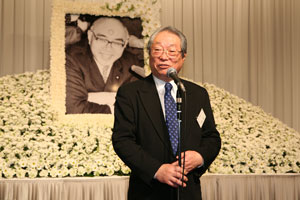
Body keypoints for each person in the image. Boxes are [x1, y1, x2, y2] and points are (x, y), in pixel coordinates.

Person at [112, 26, 221, 200]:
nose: (164, 56)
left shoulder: (197, 93)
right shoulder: (130, 93)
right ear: (149, 54)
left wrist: (200, 157)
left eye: (172, 51)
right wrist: (157, 170)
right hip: (148, 190)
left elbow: (211, 137)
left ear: (183, 56)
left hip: (188, 190)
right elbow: (122, 140)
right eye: (157, 50)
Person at [65, 17, 144, 114]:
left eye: (117, 42)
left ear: (125, 43)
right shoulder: (71, 58)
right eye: (102, 39)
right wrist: (115, 106)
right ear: (90, 37)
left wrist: (91, 98)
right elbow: (74, 108)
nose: (108, 48)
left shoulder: (132, 63)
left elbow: (139, 107)